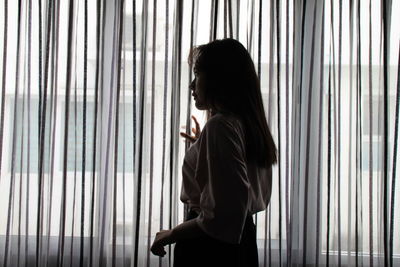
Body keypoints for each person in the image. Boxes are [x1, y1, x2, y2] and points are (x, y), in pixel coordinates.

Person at [150, 38, 277, 267]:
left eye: (197, 74)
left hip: (211, 249)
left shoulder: (220, 126)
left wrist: (171, 234)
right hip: (242, 243)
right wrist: (203, 146)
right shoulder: (247, 125)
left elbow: (221, 217)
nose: (191, 85)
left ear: (220, 79)